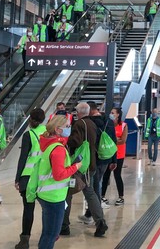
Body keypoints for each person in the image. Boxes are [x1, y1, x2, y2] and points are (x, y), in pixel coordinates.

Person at [26, 116, 81, 249]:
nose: (70, 129)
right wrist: (76, 167)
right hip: (54, 197)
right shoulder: (58, 149)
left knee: (48, 233)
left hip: (46, 194)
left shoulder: (48, 145)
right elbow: (59, 175)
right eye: (67, 127)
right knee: (50, 235)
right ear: (58, 129)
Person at [61, 102, 108, 237]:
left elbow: (75, 142)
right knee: (90, 193)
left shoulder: (79, 124)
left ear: (79, 112)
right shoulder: (92, 124)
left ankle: (64, 225)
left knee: (68, 193)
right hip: (91, 164)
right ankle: (100, 222)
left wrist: (66, 141)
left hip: (79, 165)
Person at [13, 108, 46, 249]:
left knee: (28, 208)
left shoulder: (29, 134)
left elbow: (23, 158)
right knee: (48, 208)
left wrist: (17, 178)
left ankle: (25, 240)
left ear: (30, 119)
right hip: (45, 175)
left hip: (29, 175)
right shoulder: (48, 131)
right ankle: (47, 237)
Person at [86, 101, 117, 209]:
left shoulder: (88, 122)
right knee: (97, 182)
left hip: (93, 157)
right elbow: (113, 141)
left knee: (94, 185)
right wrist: (114, 160)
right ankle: (93, 210)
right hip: (106, 156)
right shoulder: (108, 121)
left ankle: (95, 211)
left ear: (90, 110)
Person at [102, 107, 128, 206]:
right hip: (108, 153)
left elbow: (123, 140)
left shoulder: (124, 125)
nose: (111, 114)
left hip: (119, 154)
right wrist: (115, 139)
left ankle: (121, 197)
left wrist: (113, 140)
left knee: (117, 175)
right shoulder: (107, 125)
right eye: (110, 112)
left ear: (118, 115)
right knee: (106, 175)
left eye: (113, 113)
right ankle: (102, 196)